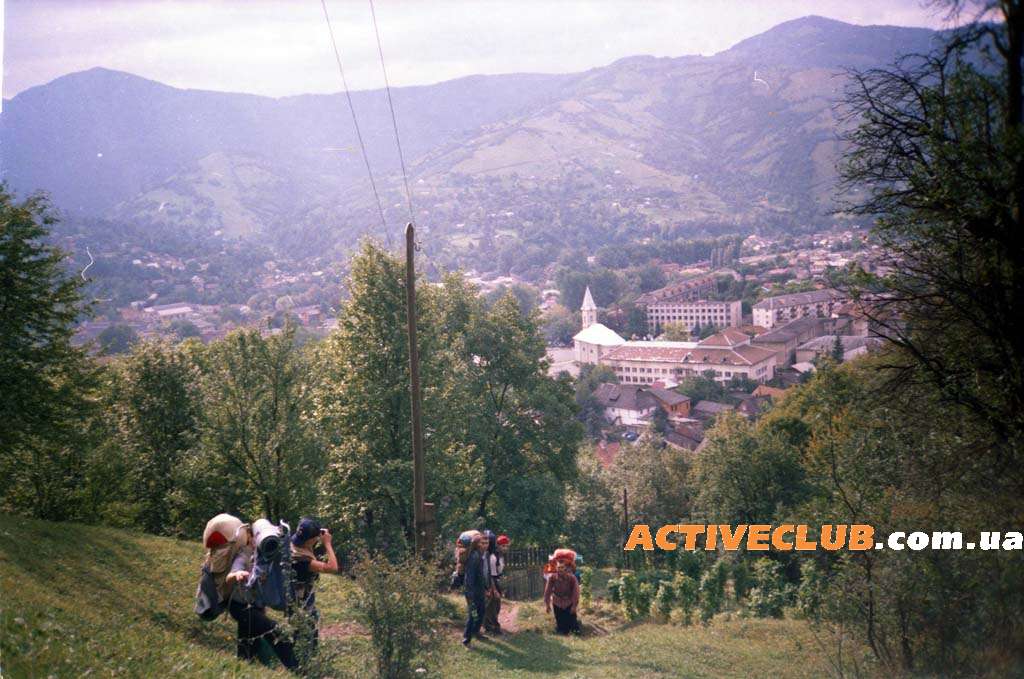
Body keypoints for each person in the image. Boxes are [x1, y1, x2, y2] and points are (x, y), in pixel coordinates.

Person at [226, 525, 299, 671]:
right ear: (250, 537)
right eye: (255, 537)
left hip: (256, 607)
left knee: (249, 642)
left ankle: (242, 667)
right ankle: (297, 669)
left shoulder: (269, 554)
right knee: (274, 631)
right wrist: (237, 574)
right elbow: (230, 576)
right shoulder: (244, 554)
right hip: (240, 606)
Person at [290, 517, 339, 660]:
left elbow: (306, 546)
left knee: (297, 630)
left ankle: (299, 659)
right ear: (311, 540)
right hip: (303, 602)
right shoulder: (302, 561)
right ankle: (305, 664)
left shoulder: (292, 545)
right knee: (306, 631)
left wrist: (315, 538)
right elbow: (333, 567)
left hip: (293, 598)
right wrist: (327, 544)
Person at [462, 532, 491, 647]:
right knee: (473, 614)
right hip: (472, 591)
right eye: (483, 543)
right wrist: (471, 594)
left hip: (479, 590)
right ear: (477, 544)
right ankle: (466, 639)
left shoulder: (481, 555)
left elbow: (481, 576)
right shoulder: (474, 556)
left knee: (481, 612)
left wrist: (486, 588)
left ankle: (476, 632)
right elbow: (470, 577)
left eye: (487, 543)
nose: (485, 545)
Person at [544, 558, 581, 635]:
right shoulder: (552, 578)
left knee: (573, 623)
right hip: (557, 602)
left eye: (562, 567)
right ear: (556, 568)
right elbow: (547, 591)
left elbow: (576, 592)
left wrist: (574, 605)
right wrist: (547, 605)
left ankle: (575, 632)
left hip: (568, 601)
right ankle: (562, 632)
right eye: (558, 567)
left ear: (565, 568)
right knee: (560, 624)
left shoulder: (572, 578)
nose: (560, 569)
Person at [484, 533, 508, 634]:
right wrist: (494, 590)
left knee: (495, 606)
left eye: (507, 546)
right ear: (496, 545)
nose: (505, 548)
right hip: (491, 583)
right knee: (492, 606)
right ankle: (491, 627)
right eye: (503, 546)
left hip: (495, 581)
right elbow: (491, 575)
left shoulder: (499, 556)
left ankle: (492, 626)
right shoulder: (493, 557)